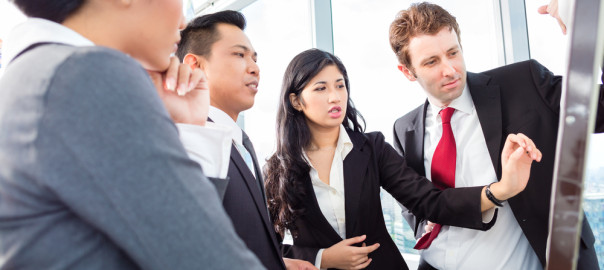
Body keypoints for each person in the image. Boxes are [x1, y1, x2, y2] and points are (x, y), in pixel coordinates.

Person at [0, 0, 265, 269]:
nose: (184, 22)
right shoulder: (85, 75)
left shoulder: (35, 72)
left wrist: (189, 126)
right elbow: (208, 257)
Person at [264, 48, 542, 270]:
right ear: (297, 101)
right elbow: (262, 244)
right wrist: (321, 259)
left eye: (340, 85)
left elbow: (429, 202)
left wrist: (501, 189)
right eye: (321, 88)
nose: (335, 97)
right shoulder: (277, 168)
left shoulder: (372, 148)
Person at [389, 2, 604, 269]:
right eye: (432, 62)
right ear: (407, 71)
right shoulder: (404, 129)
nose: (450, 69)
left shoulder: (524, 84)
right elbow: (414, 209)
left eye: (453, 52)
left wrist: (591, 27)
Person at [176, 10, 316, 270]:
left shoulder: (243, 143)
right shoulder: (187, 142)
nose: (254, 68)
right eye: (239, 55)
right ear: (194, 66)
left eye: (254, 57)